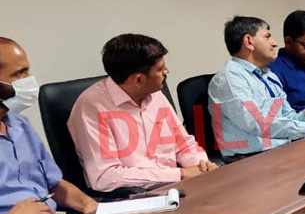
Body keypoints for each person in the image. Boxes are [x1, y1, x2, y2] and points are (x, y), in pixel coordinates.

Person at [68, 34, 216, 193]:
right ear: (138, 80)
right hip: (134, 197)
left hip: (176, 188)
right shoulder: (92, 106)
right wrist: (179, 174)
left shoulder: (154, 94)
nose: (167, 71)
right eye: (160, 69)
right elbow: (104, 176)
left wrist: (202, 166)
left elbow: (183, 144)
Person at [208, 16, 305, 158]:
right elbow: (259, 125)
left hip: (281, 149)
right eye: (267, 37)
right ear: (248, 41)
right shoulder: (229, 79)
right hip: (248, 159)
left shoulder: (268, 75)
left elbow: (286, 116)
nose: (275, 43)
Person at [0, 37, 97, 214]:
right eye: (19, 74)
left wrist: (90, 206)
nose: (29, 80)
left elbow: (54, 184)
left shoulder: (19, 124)